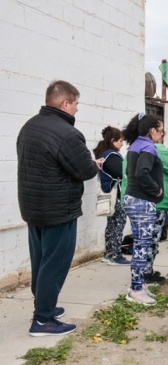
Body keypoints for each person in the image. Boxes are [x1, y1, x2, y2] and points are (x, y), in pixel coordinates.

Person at [17, 80, 100, 336]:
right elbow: (85, 169)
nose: (77, 109)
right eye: (76, 104)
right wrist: (93, 162)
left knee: (42, 261)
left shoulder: (28, 127)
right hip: (58, 210)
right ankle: (42, 320)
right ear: (65, 103)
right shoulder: (67, 133)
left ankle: (46, 307)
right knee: (55, 264)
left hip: (33, 208)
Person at [121, 113, 165, 305]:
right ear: (152, 131)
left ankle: (138, 285)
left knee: (141, 244)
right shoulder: (147, 147)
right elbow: (142, 173)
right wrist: (156, 190)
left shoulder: (135, 145)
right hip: (142, 202)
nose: (162, 135)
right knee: (142, 246)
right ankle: (136, 290)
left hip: (133, 199)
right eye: (161, 131)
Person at [93, 126, 130, 266]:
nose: (122, 144)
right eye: (120, 141)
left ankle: (109, 253)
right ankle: (115, 255)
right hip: (117, 196)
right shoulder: (112, 156)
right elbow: (122, 174)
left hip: (109, 195)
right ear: (113, 140)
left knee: (111, 225)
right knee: (118, 224)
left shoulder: (104, 153)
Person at [147, 132, 168, 283]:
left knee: (145, 239)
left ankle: (145, 271)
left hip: (143, 201)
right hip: (158, 202)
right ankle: (147, 273)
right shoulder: (157, 149)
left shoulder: (134, 149)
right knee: (152, 239)